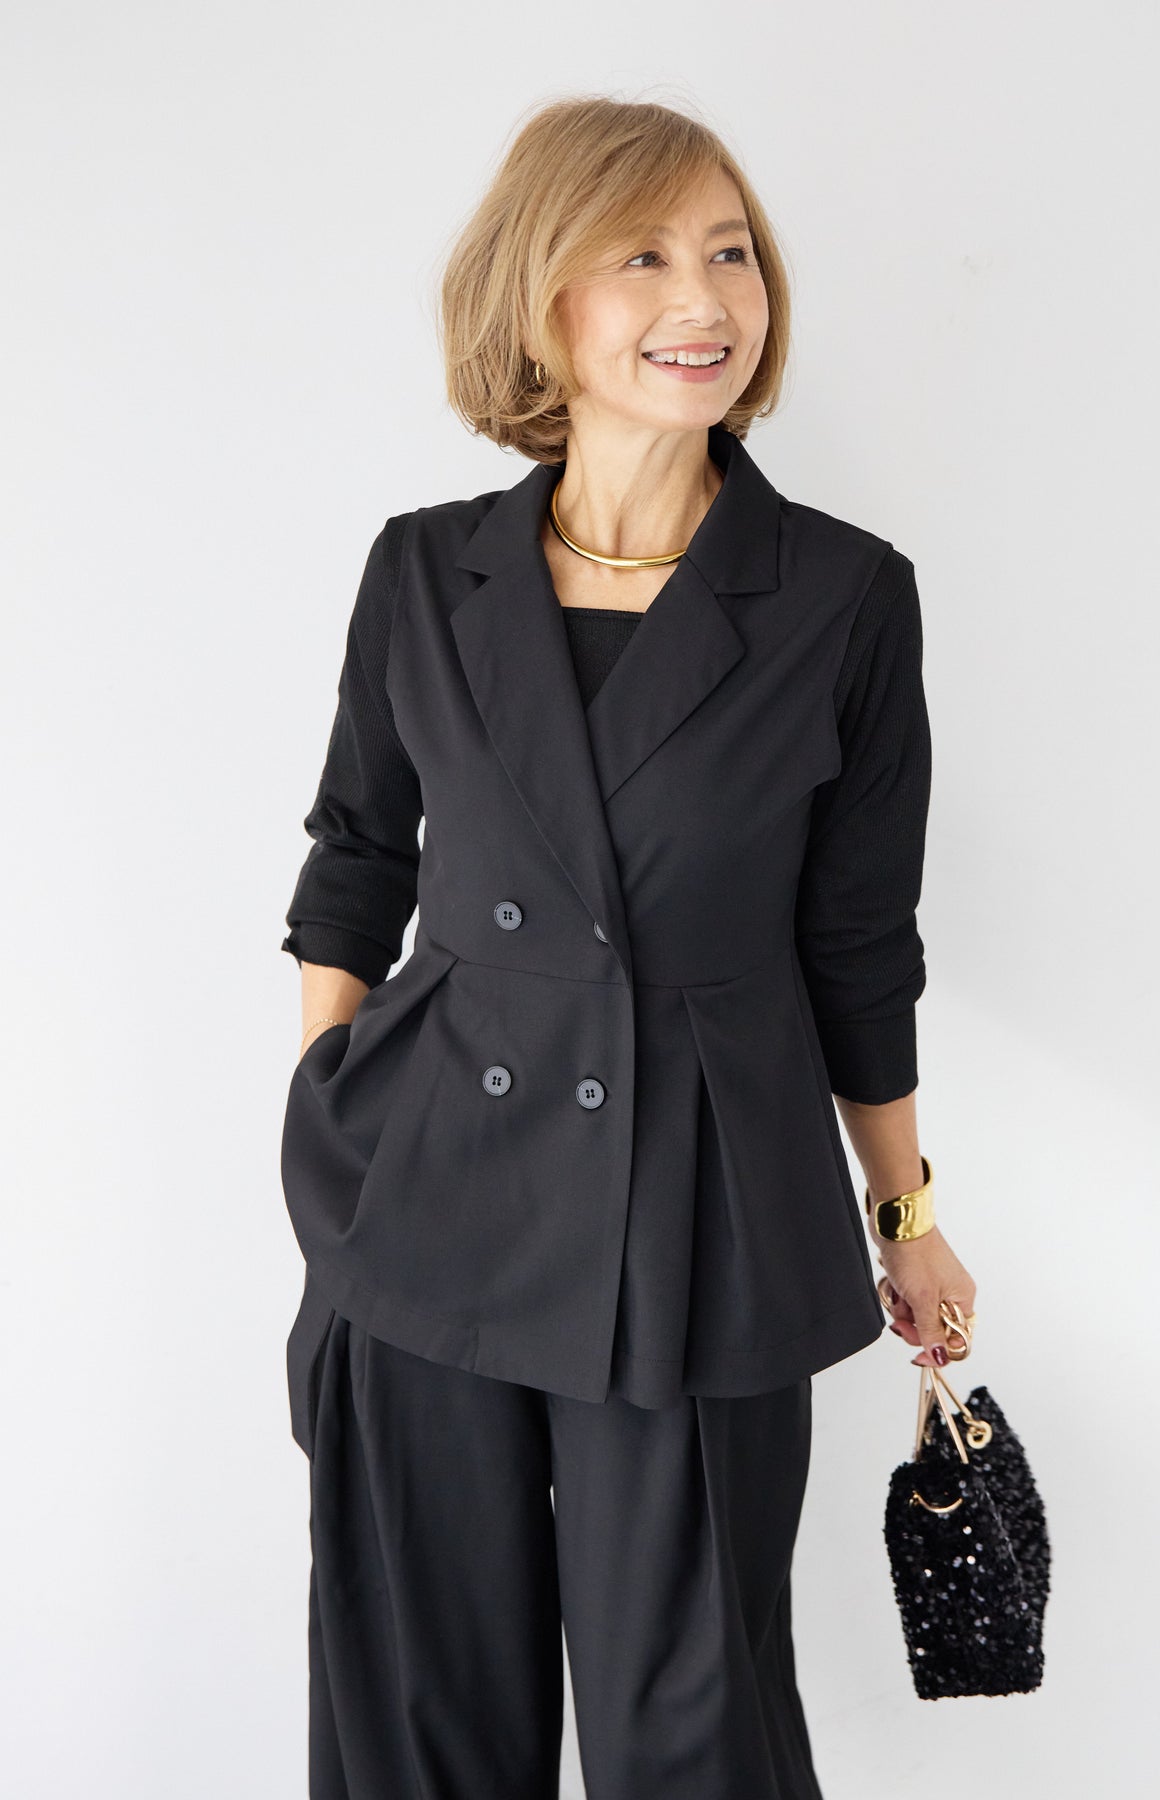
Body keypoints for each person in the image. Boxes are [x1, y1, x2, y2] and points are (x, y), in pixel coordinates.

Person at [278, 95, 978, 1800]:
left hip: (698, 1220)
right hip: (423, 1207)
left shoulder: (839, 596)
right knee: (417, 1723)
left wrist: (905, 1216)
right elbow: (356, 861)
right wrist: (332, 1116)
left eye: (730, 253)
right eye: (644, 256)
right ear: (540, 302)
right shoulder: (422, 572)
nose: (704, 299)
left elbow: (856, 943)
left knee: (693, 1731)